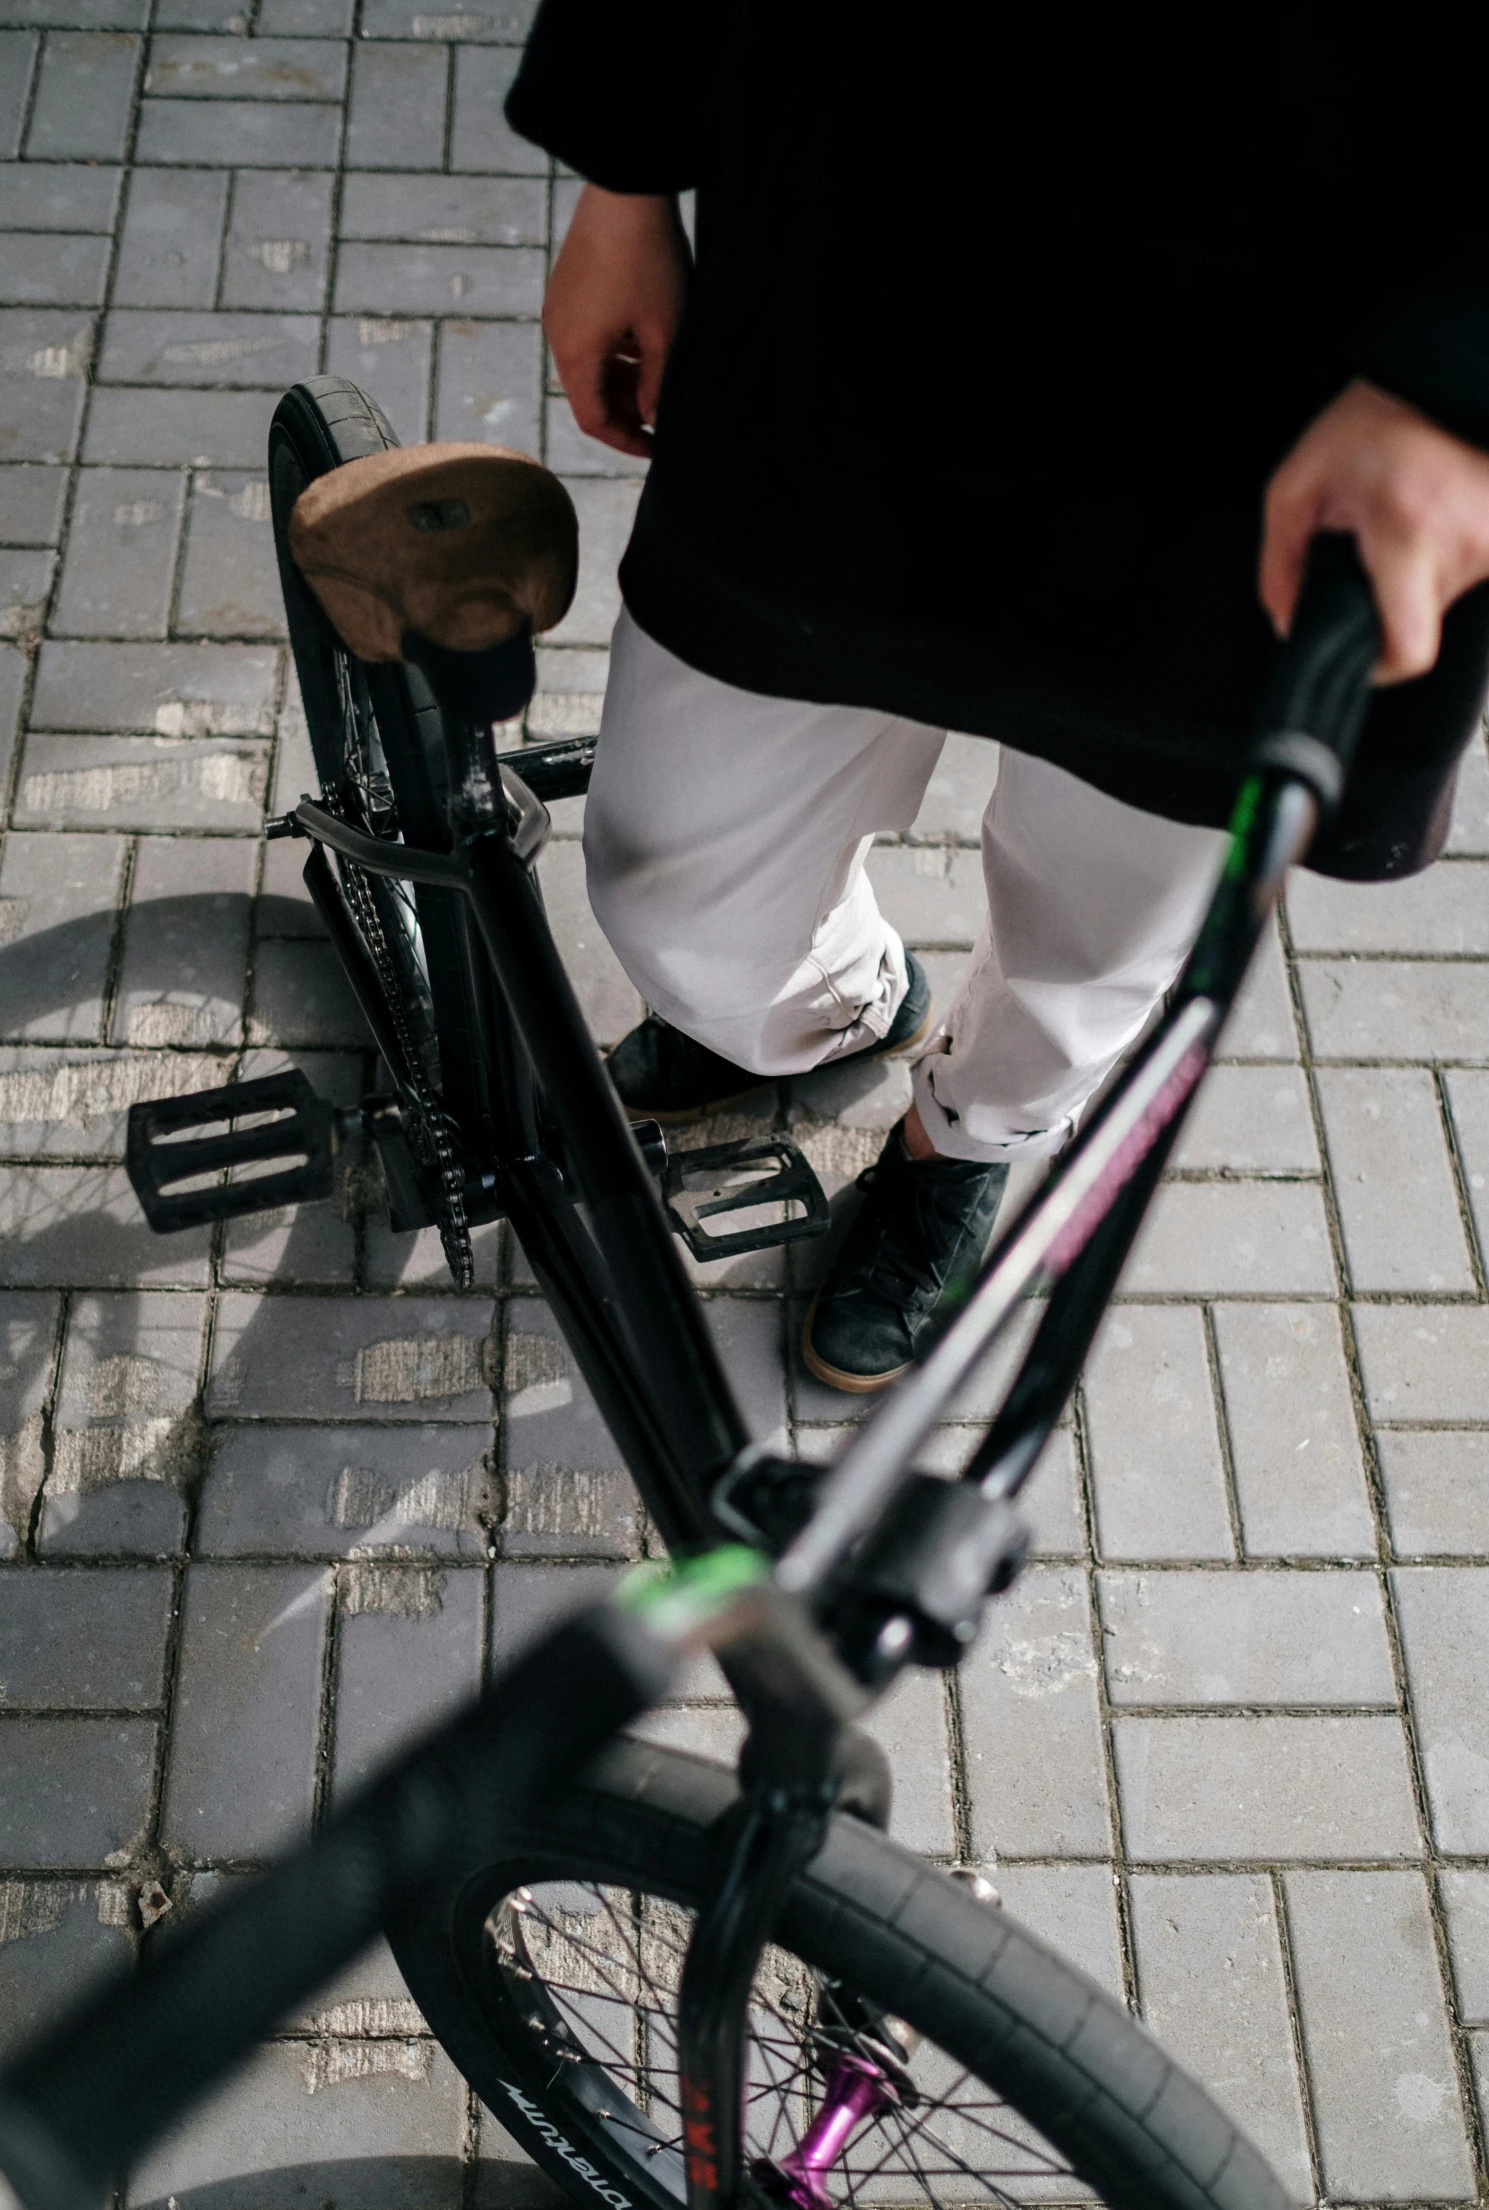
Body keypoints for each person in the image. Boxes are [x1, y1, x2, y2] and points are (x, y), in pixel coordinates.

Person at [505, 6, 1489, 1392]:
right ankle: (830, 1009)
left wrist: (1463, 384)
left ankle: (967, 1137)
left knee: (1110, 920)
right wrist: (622, 174)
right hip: (849, 261)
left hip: (1280, 380)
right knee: (673, 875)